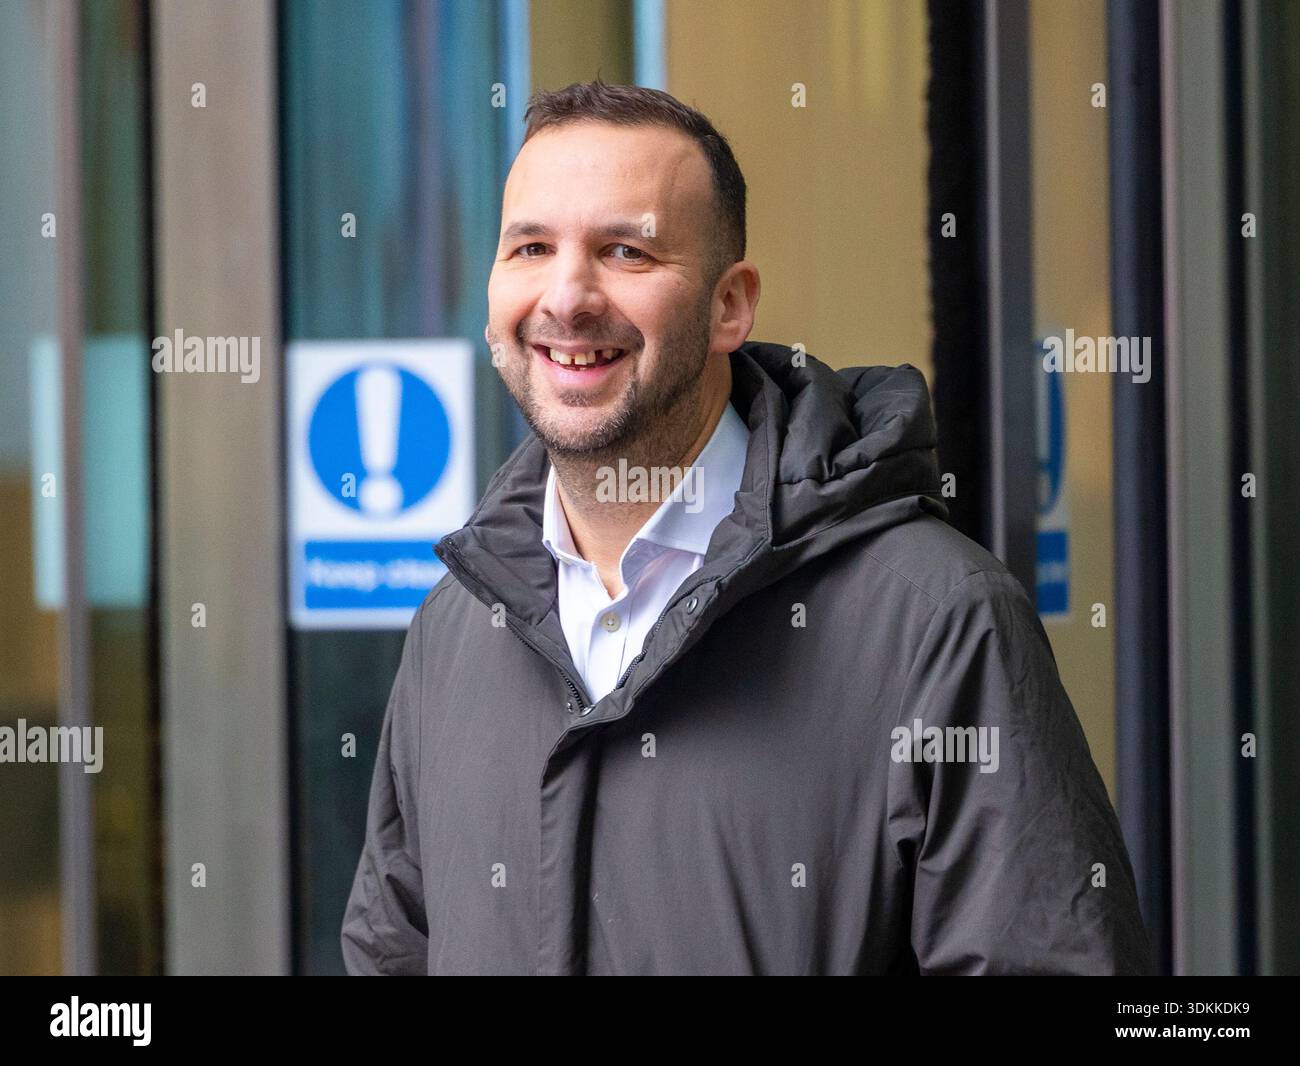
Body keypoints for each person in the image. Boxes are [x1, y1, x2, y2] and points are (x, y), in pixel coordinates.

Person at [341, 79, 1153, 975]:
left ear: (731, 305)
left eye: (626, 252)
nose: (567, 297)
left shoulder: (937, 621)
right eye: (531, 247)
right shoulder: (454, 632)